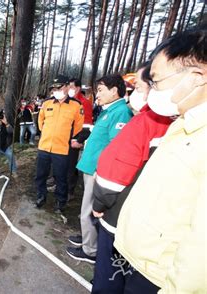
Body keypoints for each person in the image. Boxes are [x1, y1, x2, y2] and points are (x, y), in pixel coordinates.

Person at [114, 28, 206, 293]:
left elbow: (202, 251)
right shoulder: (183, 125)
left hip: (160, 279)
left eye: (155, 81)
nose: (151, 90)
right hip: (141, 262)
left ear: (196, 77)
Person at [89, 64, 174, 293]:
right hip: (151, 231)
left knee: (110, 277)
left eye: (136, 86)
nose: (132, 92)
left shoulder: (145, 122)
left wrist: (99, 204)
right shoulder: (177, 125)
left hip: (120, 219)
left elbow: (114, 169)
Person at [66, 74, 133, 264]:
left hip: (98, 171)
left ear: (114, 90)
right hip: (90, 167)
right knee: (85, 206)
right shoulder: (108, 111)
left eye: (101, 90)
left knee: (89, 209)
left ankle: (90, 250)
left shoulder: (120, 113)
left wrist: (101, 169)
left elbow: (115, 146)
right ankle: (87, 238)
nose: (98, 95)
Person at [34, 75, 84, 213]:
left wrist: (70, 139)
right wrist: (46, 134)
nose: (56, 90)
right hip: (44, 146)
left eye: (59, 87)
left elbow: (78, 127)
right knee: (40, 175)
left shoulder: (76, 106)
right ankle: (40, 196)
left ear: (67, 87)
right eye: (54, 88)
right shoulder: (47, 104)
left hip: (61, 149)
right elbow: (40, 121)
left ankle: (60, 202)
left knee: (60, 177)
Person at [66, 78, 93, 199]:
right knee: (64, 164)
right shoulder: (69, 101)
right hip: (65, 137)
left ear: (77, 88)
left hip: (75, 139)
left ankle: (70, 191)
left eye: (71, 87)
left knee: (71, 166)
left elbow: (86, 125)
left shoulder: (84, 103)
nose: (69, 89)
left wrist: (79, 140)